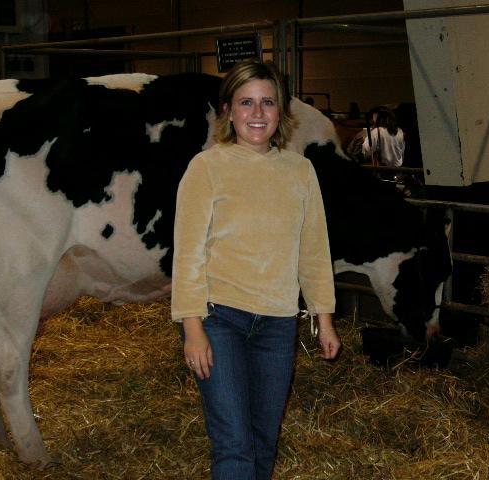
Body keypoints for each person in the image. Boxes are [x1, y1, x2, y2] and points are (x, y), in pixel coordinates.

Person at [171, 59, 341, 480]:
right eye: (246, 102)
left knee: (264, 441)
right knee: (234, 444)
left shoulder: (300, 171)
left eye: (268, 102)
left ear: (281, 110)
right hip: (219, 319)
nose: (258, 113)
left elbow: (313, 250)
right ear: (227, 110)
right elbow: (188, 254)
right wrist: (192, 327)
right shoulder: (206, 168)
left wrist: (324, 319)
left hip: (278, 324)